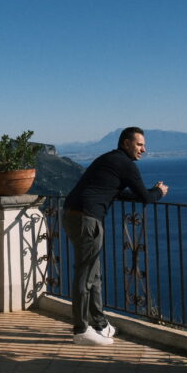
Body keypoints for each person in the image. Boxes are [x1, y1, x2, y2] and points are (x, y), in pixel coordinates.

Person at [62, 126, 168, 345]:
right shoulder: (125, 164)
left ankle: (100, 324)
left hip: (75, 215)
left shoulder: (110, 160)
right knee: (85, 275)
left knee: (94, 274)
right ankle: (81, 330)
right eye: (139, 145)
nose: (144, 150)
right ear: (126, 143)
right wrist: (159, 191)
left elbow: (120, 192)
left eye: (144, 145)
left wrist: (148, 192)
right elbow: (146, 198)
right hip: (87, 219)